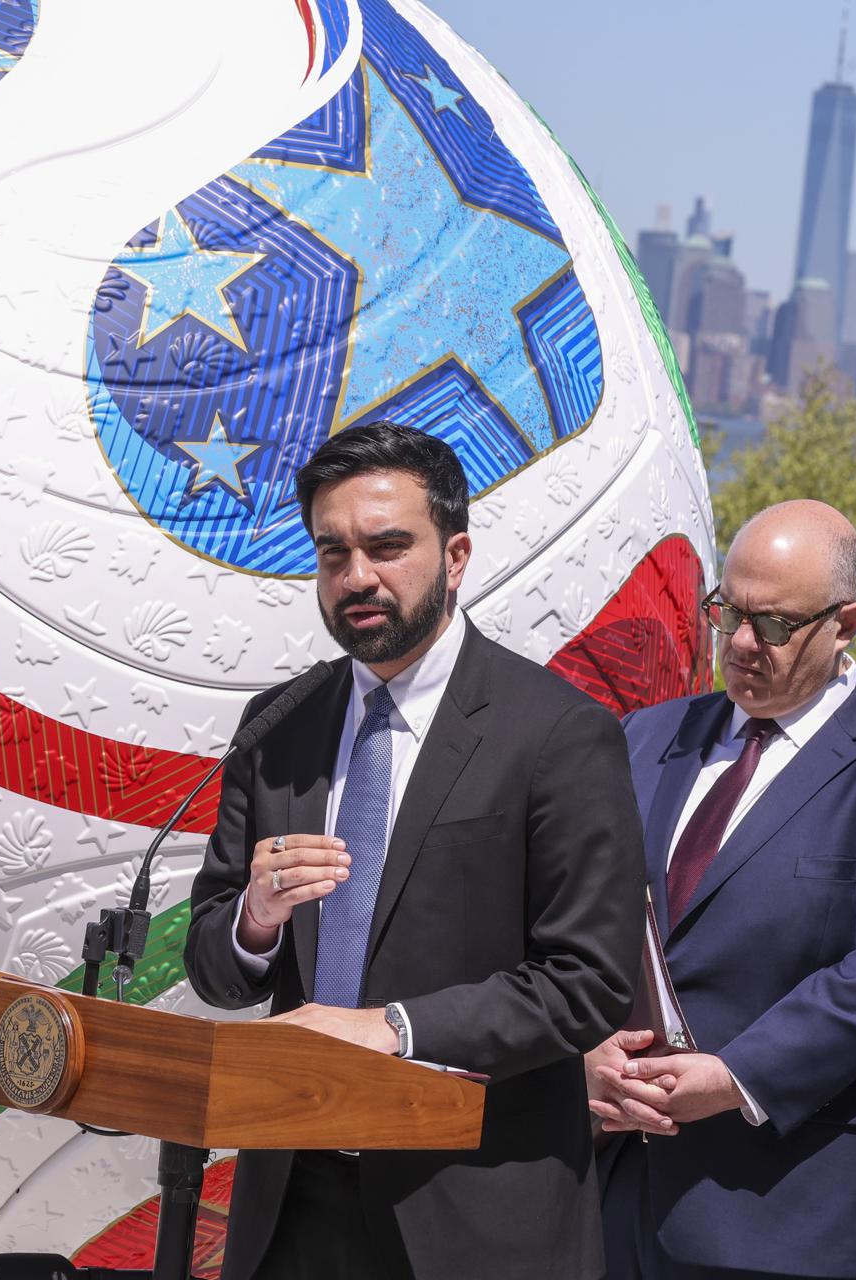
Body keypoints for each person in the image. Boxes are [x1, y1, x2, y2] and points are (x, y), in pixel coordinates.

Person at [183, 422, 646, 1280]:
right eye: (333, 552)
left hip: (471, 1213)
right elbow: (217, 971)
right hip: (290, 1202)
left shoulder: (557, 734)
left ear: (456, 556)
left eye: (387, 547)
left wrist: (391, 1029)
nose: (357, 576)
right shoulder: (279, 725)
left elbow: (587, 984)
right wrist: (254, 919)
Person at [587, 499, 856, 1280]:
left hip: (798, 1211)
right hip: (613, 1197)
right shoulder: (645, 737)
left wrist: (738, 1076)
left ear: (847, 624)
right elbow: (567, 912)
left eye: (773, 624)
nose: (742, 642)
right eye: (728, 611)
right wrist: (583, 1049)